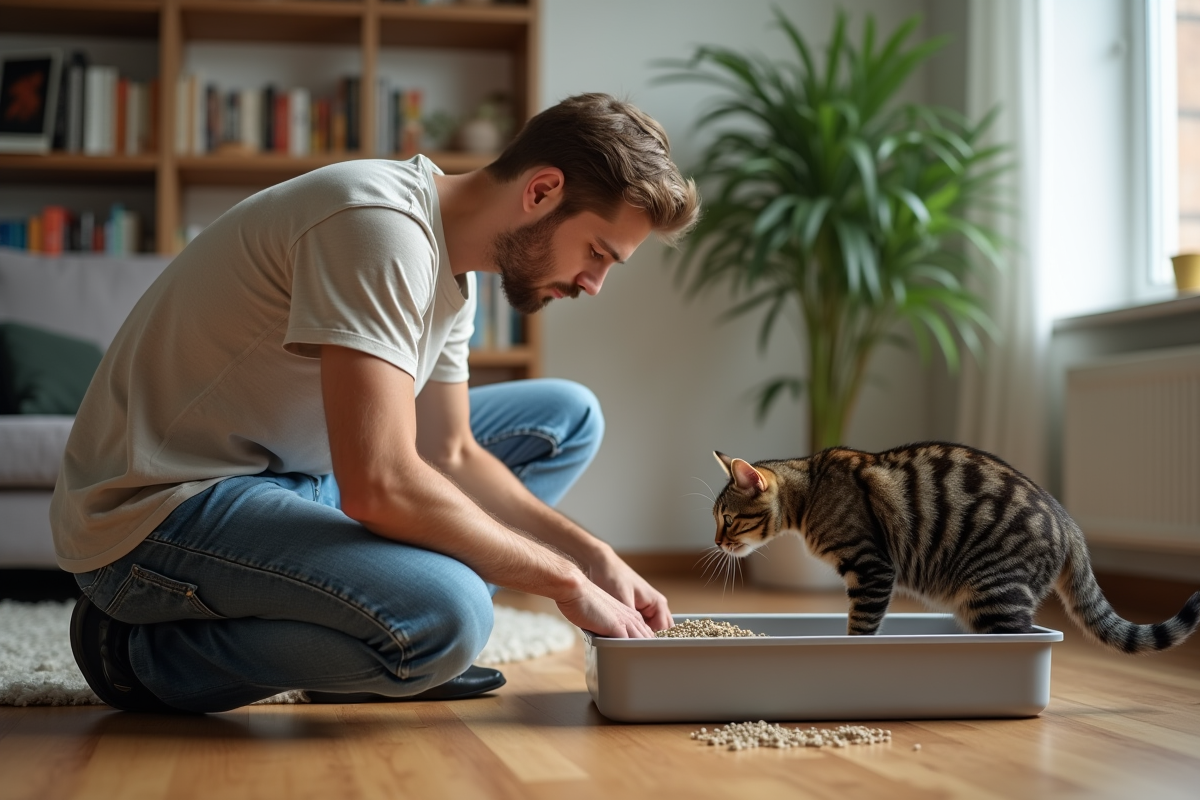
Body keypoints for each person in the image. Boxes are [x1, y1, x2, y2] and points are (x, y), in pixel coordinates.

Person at [53, 93, 700, 714]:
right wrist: (566, 581)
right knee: (449, 619)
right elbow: (380, 486)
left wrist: (598, 559)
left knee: (566, 418)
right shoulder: (379, 228)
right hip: (164, 513)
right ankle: (138, 655)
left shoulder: (455, 273)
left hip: (291, 481)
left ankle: (370, 616)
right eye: (597, 253)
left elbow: (449, 454)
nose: (594, 284)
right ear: (541, 191)